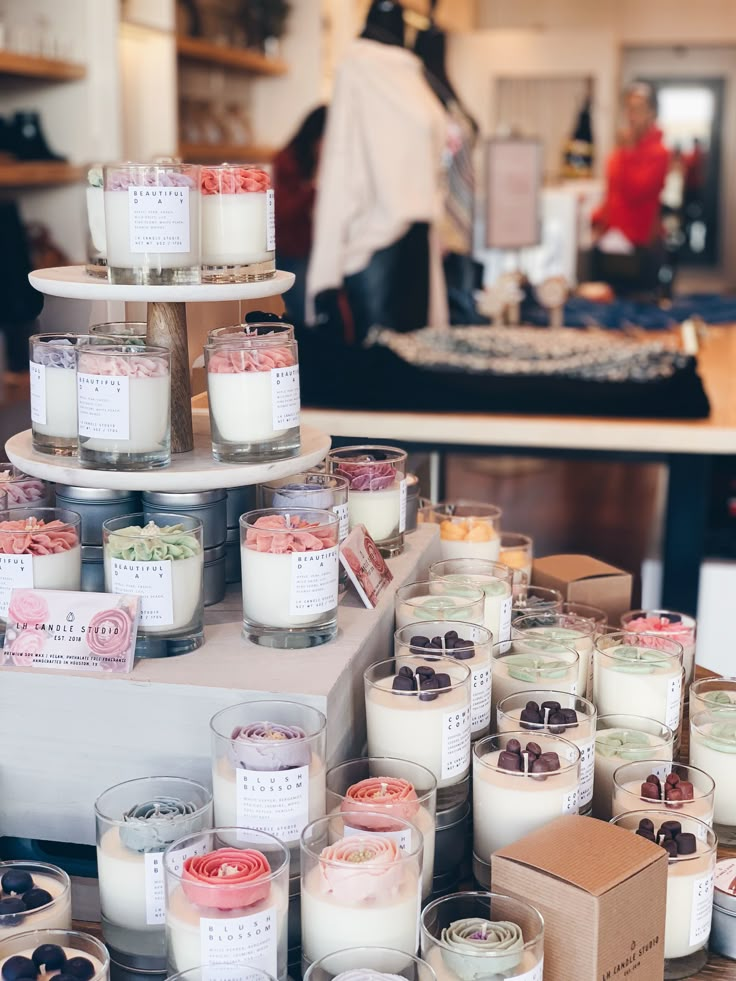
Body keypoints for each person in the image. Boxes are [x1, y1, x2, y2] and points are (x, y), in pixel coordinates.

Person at [307, 0, 449, 343]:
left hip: (416, 239)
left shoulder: (414, 74)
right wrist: (325, 269)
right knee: (379, 371)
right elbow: (340, 162)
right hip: (374, 242)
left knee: (415, 363)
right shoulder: (357, 68)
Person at [592, 83, 670, 295]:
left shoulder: (659, 153)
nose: (631, 116)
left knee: (637, 310)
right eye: (629, 109)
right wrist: (597, 218)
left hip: (639, 244)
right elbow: (613, 191)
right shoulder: (622, 150)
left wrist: (627, 152)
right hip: (612, 240)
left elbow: (636, 192)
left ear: (652, 113)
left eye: (638, 109)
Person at [272, 105, 327, 326]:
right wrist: (314, 186)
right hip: (292, 249)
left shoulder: (317, 161)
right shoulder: (287, 161)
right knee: (302, 310)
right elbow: (284, 211)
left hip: (313, 248)